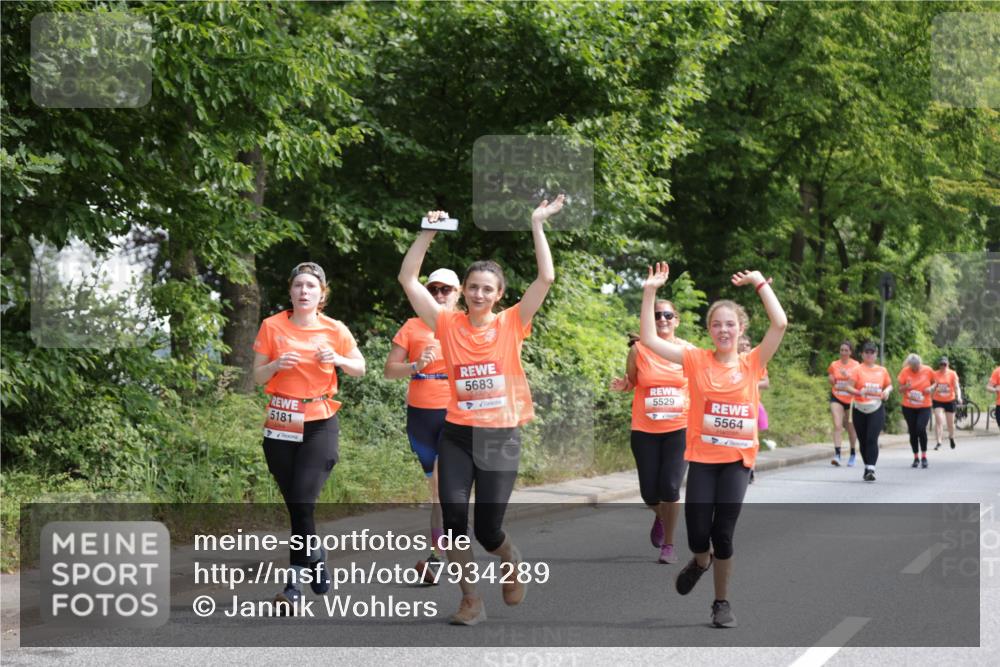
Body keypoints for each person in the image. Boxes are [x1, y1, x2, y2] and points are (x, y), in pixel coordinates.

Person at [398, 198, 564, 625]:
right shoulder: (446, 322)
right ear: (464, 291)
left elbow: (546, 277)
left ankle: (510, 557)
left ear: (499, 295)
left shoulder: (512, 323)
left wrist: (536, 224)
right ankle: (471, 599)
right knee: (454, 521)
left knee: (489, 530)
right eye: (473, 287)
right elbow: (408, 278)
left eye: (487, 289)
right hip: (457, 434)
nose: (478, 293)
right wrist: (428, 233)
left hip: (500, 436)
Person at [640, 262, 787, 629]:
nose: (723, 330)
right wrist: (649, 291)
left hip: (737, 461)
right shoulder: (695, 359)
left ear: (741, 330)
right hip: (703, 460)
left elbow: (780, 324)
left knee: (723, 534)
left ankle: (721, 602)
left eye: (730, 324)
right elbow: (651, 340)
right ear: (709, 330)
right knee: (698, 534)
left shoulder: (753, 362)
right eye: (717, 324)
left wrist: (759, 283)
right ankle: (700, 560)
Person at [252, 262, 366, 610]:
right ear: (290, 290)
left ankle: (293, 585)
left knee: (303, 500)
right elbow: (256, 377)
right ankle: (315, 555)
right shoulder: (272, 326)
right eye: (298, 285)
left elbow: (360, 369)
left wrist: (339, 359)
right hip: (282, 420)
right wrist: (274, 367)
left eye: (311, 286)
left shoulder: (335, 329)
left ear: (322, 293)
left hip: (319, 418)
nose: (304, 291)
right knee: (297, 507)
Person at [384, 267, 462, 575]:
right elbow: (390, 370)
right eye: (433, 289)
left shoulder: (465, 326)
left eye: (446, 289)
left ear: (459, 294)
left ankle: (441, 557)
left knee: (444, 487)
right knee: (436, 493)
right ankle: (442, 549)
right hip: (419, 415)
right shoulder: (413, 326)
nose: (440, 295)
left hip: (455, 412)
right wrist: (416, 365)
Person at [610, 300, 692, 564]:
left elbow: (706, 382)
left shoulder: (688, 352)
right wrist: (624, 385)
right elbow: (632, 381)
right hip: (645, 429)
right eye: (657, 315)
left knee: (670, 487)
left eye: (668, 315)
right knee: (649, 493)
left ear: (676, 320)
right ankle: (661, 515)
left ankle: (669, 544)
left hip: (679, 428)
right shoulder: (639, 350)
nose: (662, 319)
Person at [845, 342, 892, 482]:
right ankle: (867, 466)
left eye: (872, 352)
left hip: (876, 408)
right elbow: (848, 387)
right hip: (859, 408)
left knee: (872, 438)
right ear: (862, 354)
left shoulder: (882, 370)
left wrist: (886, 392)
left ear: (876, 355)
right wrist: (859, 392)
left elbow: (889, 385)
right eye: (867, 352)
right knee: (863, 441)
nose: (869, 355)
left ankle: (871, 468)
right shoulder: (857, 369)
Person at [737, 335, 771, 485]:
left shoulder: (756, 363)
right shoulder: (728, 361)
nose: (745, 347)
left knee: (751, 439)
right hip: (733, 409)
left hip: (751, 406)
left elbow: (766, 383)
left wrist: (749, 383)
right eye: (742, 344)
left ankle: (750, 468)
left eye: (747, 345)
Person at [898, 354, 937, 469]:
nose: (916, 368)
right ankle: (916, 457)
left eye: (917, 366)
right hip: (908, 406)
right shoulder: (905, 372)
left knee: (920, 428)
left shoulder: (928, 370)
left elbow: (936, 383)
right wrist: (906, 387)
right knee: (913, 431)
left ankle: (924, 456)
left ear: (920, 363)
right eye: (913, 366)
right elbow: (900, 389)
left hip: (924, 405)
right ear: (909, 365)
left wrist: (931, 388)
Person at [827, 341, 860, 466]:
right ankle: (837, 455)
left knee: (851, 427)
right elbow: (831, 377)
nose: (844, 352)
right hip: (837, 397)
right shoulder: (834, 364)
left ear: (850, 352)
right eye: (842, 350)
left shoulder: (856, 365)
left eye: (846, 350)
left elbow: (859, 382)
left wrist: (849, 375)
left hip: (851, 399)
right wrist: (831, 379)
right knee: (837, 425)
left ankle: (852, 453)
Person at [932, 356, 961, 450]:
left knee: (950, 424)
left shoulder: (952, 374)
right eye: (941, 364)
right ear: (939, 365)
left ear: (948, 365)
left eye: (944, 364)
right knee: (939, 420)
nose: (943, 366)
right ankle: (939, 442)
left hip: (950, 400)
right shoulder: (935, 374)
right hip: (938, 400)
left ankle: (951, 437)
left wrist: (959, 397)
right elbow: (932, 386)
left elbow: (956, 387)